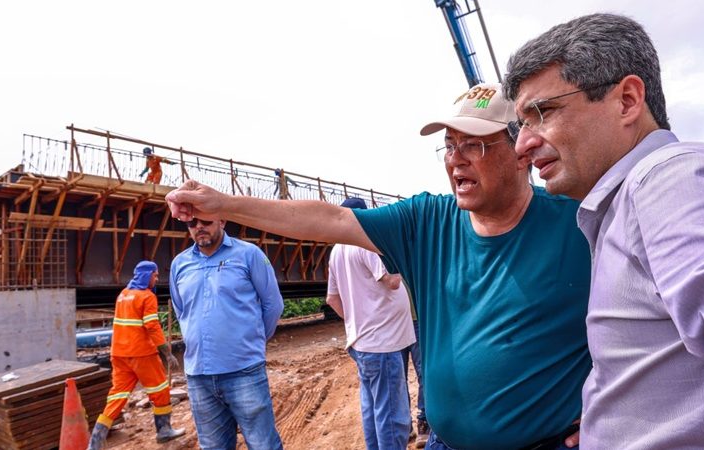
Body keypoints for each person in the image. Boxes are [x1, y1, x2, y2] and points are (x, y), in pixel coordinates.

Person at [164, 82, 592, 450]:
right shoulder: (428, 221)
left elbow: (643, 325)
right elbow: (328, 219)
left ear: (520, 153)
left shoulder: (579, 225)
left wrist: (608, 406)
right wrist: (222, 203)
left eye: (474, 145)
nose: (456, 159)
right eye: (449, 145)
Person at [504, 13, 704, 449]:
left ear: (627, 101)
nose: (522, 145)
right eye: (519, 125)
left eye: (541, 113)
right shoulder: (621, 206)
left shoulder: (671, 182)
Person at [169, 215, 285, 449]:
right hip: (199, 377)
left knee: (263, 444)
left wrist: (253, 341)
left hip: (244, 372)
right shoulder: (179, 264)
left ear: (221, 221)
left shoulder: (249, 255)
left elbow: (273, 305)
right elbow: (181, 310)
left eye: (205, 221)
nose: (199, 227)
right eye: (192, 223)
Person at [327, 197, 416, 450]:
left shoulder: (337, 250)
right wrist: (404, 260)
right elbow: (392, 281)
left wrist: (358, 318)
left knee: (372, 409)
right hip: (383, 344)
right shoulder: (365, 243)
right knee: (392, 416)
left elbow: (332, 298)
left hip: (364, 343)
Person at [87, 261, 185, 450]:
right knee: (160, 390)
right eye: (155, 275)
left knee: (117, 395)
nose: (157, 279)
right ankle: (164, 430)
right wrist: (168, 353)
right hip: (142, 354)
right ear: (147, 275)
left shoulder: (123, 295)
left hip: (119, 354)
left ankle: (95, 443)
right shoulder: (147, 297)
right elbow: (152, 326)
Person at [399, 293, 428, 448]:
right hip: (393, 322)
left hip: (417, 319)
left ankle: (423, 422)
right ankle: (405, 425)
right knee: (398, 378)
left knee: (424, 373)